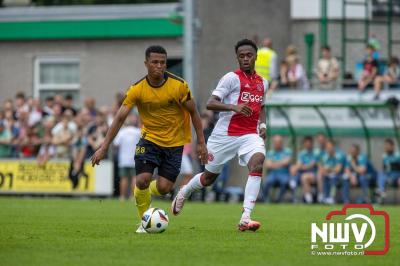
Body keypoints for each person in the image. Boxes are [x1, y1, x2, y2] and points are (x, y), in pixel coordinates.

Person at [91, 45, 207, 233]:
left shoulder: (179, 86)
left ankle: (142, 193)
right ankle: (144, 222)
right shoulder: (137, 89)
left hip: (175, 143)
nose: (159, 66)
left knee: (164, 188)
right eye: (154, 62)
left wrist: (201, 142)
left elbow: (194, 113)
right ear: (146, 63)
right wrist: (104, 147)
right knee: (143, 179)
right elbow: (119, 117)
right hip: (149, 139)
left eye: (162, 62)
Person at [172, 39, 268, 232]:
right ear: (237, 58)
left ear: (255, 56)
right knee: (208, 179)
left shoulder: (263, 82)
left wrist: (263, 124)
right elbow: (210, 103)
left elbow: (262, 106)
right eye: (241, 56)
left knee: (257, 163)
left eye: (249, 55)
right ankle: (185, 191)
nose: (246, 59)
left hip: (249, 135)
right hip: (224, 135)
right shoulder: (231, 78)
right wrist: (234, 106)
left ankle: (246, 217)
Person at [113, 114, 141, 200]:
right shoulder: (138, 132)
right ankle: (133, 197)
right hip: (135, 158)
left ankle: (122, 196)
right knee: (134, 178)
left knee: (123, 178)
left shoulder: (122, 132)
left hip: (123, 159)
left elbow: (115, 144)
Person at [263, 135, 292, 203]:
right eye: (275, 142)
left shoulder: (287, 151)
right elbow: (268, 165)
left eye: (279, 142)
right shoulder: (270, 152)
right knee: (267, 182)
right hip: (273, 173)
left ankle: (279, 200)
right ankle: (265, 199)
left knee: (284, 182)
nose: (277, 144)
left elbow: (287, 162)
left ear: (281, 143)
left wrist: (274, 163)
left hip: (284, 173)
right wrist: (281, 163)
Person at [291, 136, 318, 204]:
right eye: (306, 143)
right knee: (294, 170)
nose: (308, 145)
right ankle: (296, 196)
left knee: (304, 177)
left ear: (312, 144)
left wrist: (301, 167)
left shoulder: (315, 153)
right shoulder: (302, 154)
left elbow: (310, 166)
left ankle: (308, 198)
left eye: (309, 143)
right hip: (302, 173)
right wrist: (298, 167)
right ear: (304, 144)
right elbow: (299, 164)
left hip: (313, 174)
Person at [319, 139, 344, 204]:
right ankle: (324, 196)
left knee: (333, 177)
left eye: (330, 147)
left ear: (334, 147)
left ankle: (332, 197)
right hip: (327, 174)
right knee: (322, 176)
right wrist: (326, 171)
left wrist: (329, 169)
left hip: (339, 176)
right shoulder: (324, 156)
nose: (328, 149)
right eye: (327, 147)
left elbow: (338, 169)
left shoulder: (339, 155)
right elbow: (322, 168)